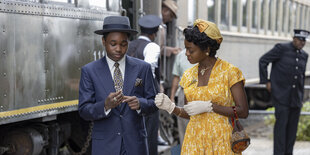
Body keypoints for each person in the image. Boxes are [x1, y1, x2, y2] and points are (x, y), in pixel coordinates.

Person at [155, 19, 249, 154]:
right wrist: (172, 108)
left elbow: (243, 111)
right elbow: (189, 113)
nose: (186, 53)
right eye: (186, 48)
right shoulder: (188, 76)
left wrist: (211, 107)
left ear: (207, 49)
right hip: (194, 140)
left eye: (190, 50)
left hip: (220, 140)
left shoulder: (230, 72)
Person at [78, 15, 158, 155]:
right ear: (103, 41)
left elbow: (154, 102)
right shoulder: (89, 71)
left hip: (135, 146)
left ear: (128, 42)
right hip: (105, 147)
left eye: (123, 44)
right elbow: (84, 110)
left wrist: (140, 104)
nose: (118, 49)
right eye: (113, 44)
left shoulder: (142, 68)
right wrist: (105, 105)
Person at [259, 29, 309, 155]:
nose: (302, 43)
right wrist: (266, 81)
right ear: (294, 38)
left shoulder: (304, 55)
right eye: (300, 40)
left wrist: (301, 97)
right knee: (281, 129)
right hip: (281, 97)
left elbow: (301, 77)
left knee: (292, 131)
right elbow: (263, 61)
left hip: (296, 99)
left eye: (304, 41)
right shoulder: (281, 48)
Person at [127, 14, 162, 155]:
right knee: (149, 133)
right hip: (146, 96)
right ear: (155, 33)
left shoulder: (129, 45)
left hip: (127, 93)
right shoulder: (152, 46)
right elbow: (148, 69)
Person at [169, 49, 195, 145]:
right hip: (183, 93)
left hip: (201, 93)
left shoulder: (204, 53)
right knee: (183, 127)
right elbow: (176, 77)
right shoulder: (180, 55)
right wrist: (172, 97)